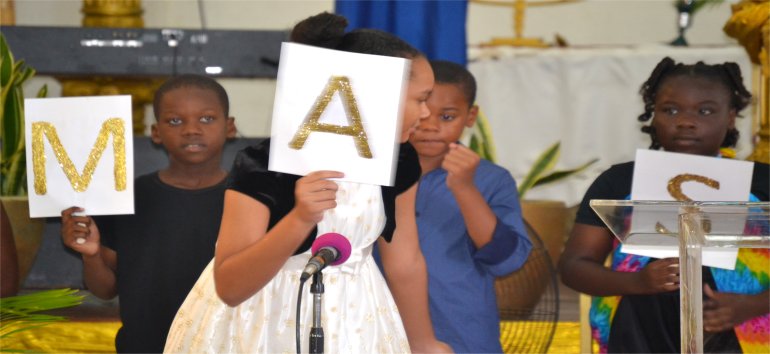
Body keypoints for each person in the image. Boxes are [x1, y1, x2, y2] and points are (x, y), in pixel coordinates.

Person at [164, 12, 450, 353]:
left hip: (358, 320)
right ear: (374, 92)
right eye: (420, 99)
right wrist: (300, 218)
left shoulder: (399, 162)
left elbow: (405, 260)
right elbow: (230, 285)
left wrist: (423, 341)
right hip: (262, 322)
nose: (425, 114)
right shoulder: (266, 165)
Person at [559, 57, 769, 353]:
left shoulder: (762, 182)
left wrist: (751, 305)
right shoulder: (620, 181)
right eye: (670, 110)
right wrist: (637, 282)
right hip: (639, 328)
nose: (685, 121)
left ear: (731, 117)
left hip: (741, 326)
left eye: (705, 111)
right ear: (653, 114)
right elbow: (574, 266)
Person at [60, 74, 237, 353]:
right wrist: (91, 254)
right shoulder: (127, 198)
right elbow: (105, 290)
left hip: (226, 346)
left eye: (206, 119)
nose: (191, 130)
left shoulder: (248, 198)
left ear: (229, 127)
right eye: (175, 121)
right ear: (156, 132)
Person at [408, 60, 532, 353]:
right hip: (380, 326)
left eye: (447, 116)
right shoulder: (375, 173)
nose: (430, 125)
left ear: (470, 116)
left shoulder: (492, 179)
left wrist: (464, 188)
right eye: (421, 111)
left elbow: (507, 260)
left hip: (461, 329)